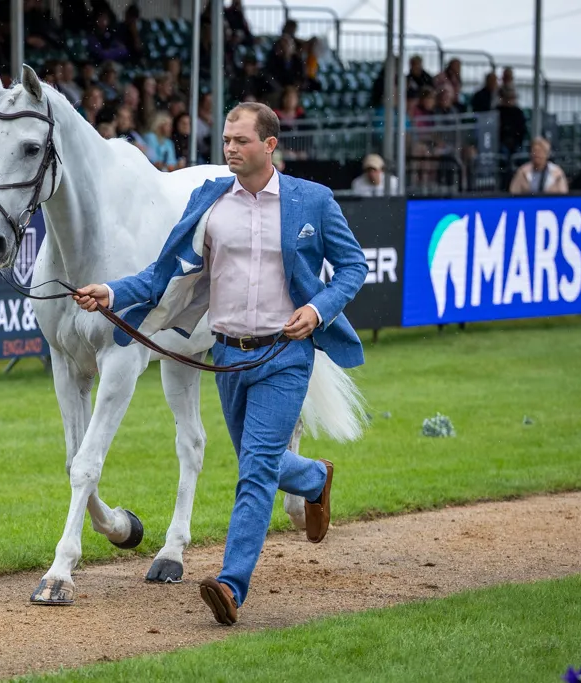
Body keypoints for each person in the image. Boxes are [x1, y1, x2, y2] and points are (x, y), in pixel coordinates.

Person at [72, 102, 367, 626]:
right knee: (266, 463)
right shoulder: (207, 200)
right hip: (228, 356)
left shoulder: (313, 201)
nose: (230, 147)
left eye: (241, 140)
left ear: (270, 145)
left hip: (285, 355)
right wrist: (112, 292)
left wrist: (318, 308)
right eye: (226, 139)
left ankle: (231, 584)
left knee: (254, 470)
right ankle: (314, 479)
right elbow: (160, 274)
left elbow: (352, 267)